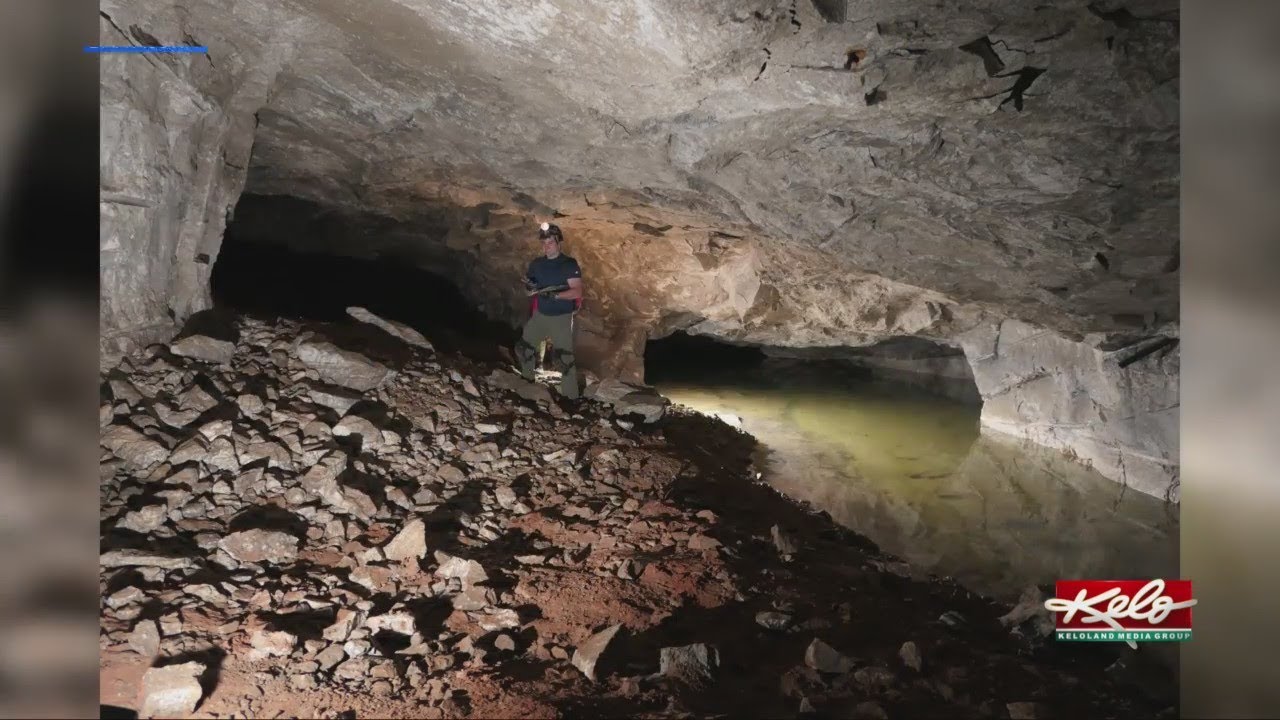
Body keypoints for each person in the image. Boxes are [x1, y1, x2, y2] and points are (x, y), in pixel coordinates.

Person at [516, 222, 583, 399]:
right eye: (544, 243)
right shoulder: (537, 264)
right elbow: (529, 287)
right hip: (540, 315)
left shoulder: (569, 264)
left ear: (559, 243)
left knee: (564, 359)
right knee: (524, 348)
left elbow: (577, 291)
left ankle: (571, 398)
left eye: (550, 243)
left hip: (561, 318)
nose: (546, 247)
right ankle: (528, 382)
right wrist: (529, 289)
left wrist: (556, 296)